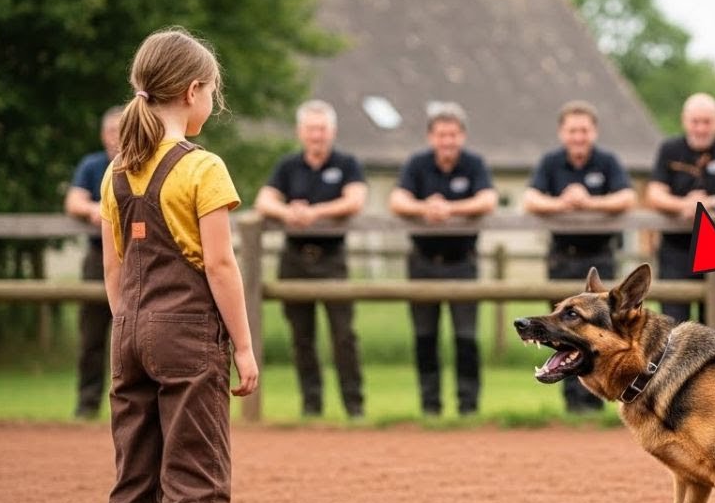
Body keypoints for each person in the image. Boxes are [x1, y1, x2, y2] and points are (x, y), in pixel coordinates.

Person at [100, 27, 258, 503]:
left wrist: (130, 323)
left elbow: (114, 265)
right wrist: (243, 345)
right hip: (187, 334)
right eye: (211, 92)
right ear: (193, 91)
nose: (210, 102)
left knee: (134, 477)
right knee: (195, 473)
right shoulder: (201, 167)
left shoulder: (117, 171)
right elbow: (219, 265)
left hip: (129, 329)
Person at [254, 100, 367, 419]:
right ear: (300, 132)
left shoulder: (347, 164)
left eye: (322, 129)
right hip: (294, 259)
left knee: (343, 335)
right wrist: (288, 212)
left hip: (332, 258)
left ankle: (354, 406)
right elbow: (264, 201)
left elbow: (355, 201)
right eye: (311, 129)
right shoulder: (288, 166)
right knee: (302, 337)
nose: (317, 135)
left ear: (332, 131)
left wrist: (314, 213)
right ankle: (311, 406)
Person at [522, 100, 637, 413]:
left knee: (599, 332)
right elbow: (530, 199)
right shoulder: (550, 163)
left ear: (593, 132)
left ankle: (596, 403)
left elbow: (627, 197)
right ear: (563, 133)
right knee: (562, 332)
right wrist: (561, 203)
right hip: (562, 258)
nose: (578, 136)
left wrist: (589, 203)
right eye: (573, 130)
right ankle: (572, 404)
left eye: (583, 130)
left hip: (599, 260)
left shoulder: (607, 162)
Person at [389, 103, 498, 416]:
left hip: (462, 263)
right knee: (425, 338)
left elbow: (487, 199)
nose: (447, 141)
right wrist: (425, 208)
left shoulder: (474, 164)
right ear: (431, 137)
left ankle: (468, 406)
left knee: (466, 338)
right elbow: (397, 199)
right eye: (441, 135)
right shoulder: (417, 164)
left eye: (452, 134)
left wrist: (450, 209)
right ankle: (430, 407)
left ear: (462, 136)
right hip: (423, 263)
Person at [645, 93, 715, 323]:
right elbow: (654, 194)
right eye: (695, 122)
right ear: (685, 121)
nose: (701, 128)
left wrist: (709, 203)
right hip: (675, 249)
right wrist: (684, 205)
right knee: (672, 325)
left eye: (707, 122)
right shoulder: (669, 148)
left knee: (713, 326)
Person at [65, 106, 122, 419]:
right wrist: (95, 209)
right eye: (112, 130)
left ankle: (130, 406)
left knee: (134, 336)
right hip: (98, 258)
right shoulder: (93, 165)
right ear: (103, 135)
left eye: (122, 130)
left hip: (135, 257)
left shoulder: (142, 162)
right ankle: (87, 405)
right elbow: (73, 201)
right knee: (92, 336)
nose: (117, 137)